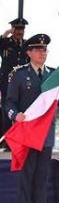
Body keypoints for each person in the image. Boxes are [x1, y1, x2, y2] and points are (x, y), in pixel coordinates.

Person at [6, 34, 59, 203]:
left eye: (45, 50)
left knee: (41, 178)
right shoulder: (19, 75)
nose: (43, 53)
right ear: (29, 53)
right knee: (27, 177)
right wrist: (15, 115)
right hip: (27, 134)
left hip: (45, 136)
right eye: (38, 50)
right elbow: (9, 102)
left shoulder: (53, 75)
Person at [0, 18, 30, 147]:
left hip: (22, 83)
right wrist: (6, 33)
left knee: (22, 112)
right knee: (8, 113)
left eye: (21, 29)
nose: (20, 32)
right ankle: (7, 142)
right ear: (13, 30)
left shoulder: (28, 44)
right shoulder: (5, 43)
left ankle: (21, 140)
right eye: (17, 29)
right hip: (7, 83)